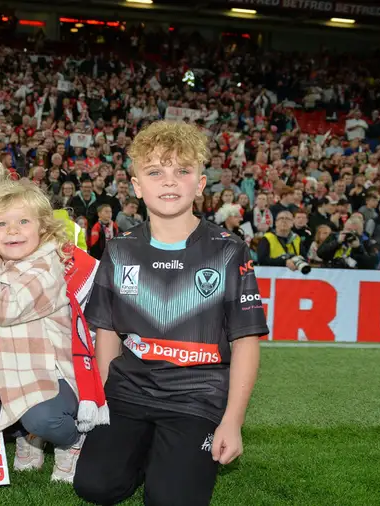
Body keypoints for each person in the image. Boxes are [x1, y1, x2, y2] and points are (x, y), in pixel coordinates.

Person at [74, 121, 268, 506]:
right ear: (136, 186)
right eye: (155, 171)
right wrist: (105, 399)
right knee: (94, 487)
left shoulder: (229, 250)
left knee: (169, 501)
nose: (169, 181)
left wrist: (233, 420)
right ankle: (148, 448)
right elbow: (108, 332)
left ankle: (172, 454)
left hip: (196, 397)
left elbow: (245, 341)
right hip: (129, 391)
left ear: (199, 184)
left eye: (182, 171)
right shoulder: (120, 249)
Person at [0, 181, 88, 483]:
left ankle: (71, 441)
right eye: (2, 223)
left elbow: (6, 307)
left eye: (23, 221)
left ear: (43, 228)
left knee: (43, 418)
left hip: (46, 374)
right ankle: (29, 436)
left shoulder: (47, 267)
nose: (12, 230)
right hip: (5, 373)